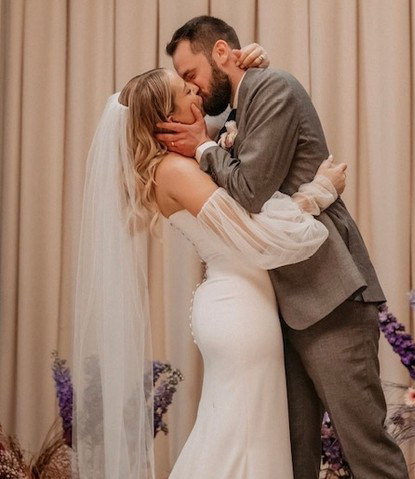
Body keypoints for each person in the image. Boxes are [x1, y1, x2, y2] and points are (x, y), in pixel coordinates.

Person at [157, 15, 410, 479]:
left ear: (220, 53)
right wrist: (209, 138)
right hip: (278, 311)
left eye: (191, 75)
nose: (190, 89)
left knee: (366, 451)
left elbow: (250, 189)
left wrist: (204, 148)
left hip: (328, 297)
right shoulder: (233, 111)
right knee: (293, 458)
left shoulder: (272, 87)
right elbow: (182, 116)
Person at [72, 63, 348, 478]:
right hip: (240, 311)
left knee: (239, 436)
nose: (196, 93)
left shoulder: (177, 166)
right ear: (167, 117)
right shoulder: (177, 171)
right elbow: (257, 240)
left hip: (237, 303)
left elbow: (246, 227)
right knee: (241, 442)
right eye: (184, 89)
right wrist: (318, 193)